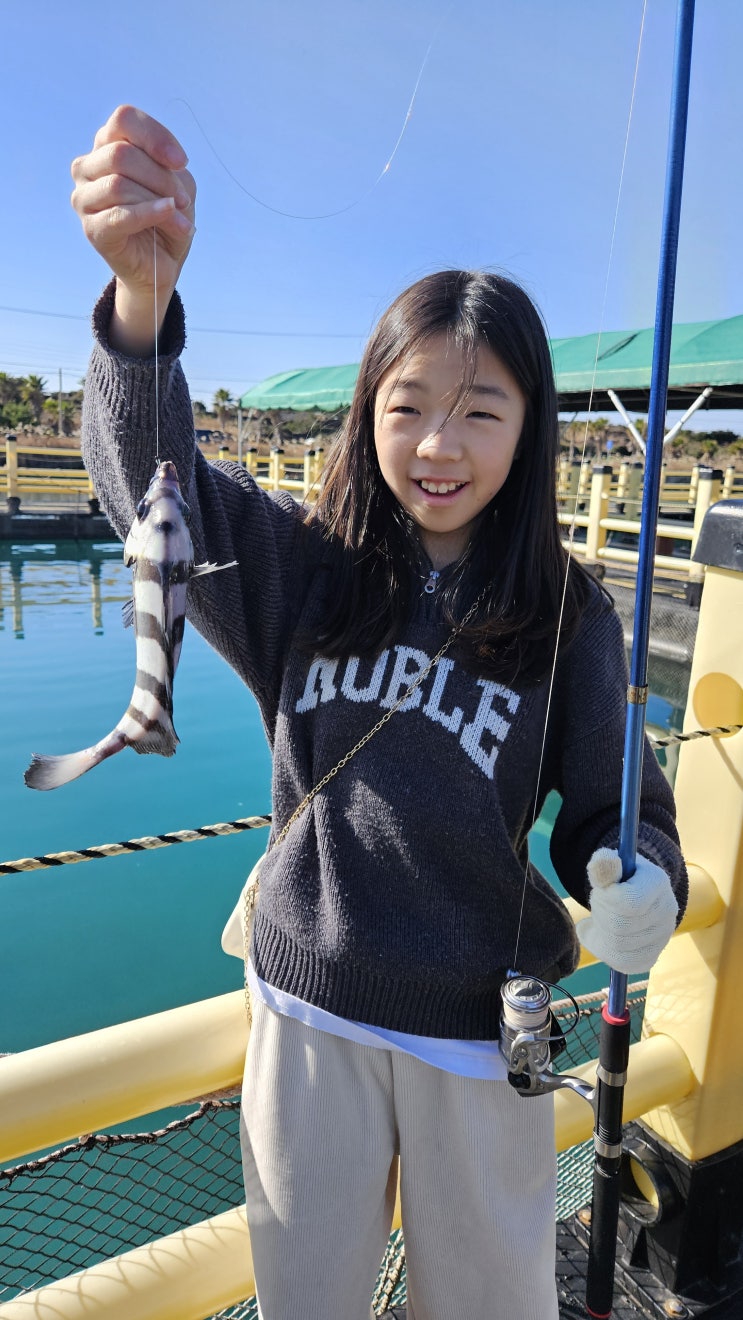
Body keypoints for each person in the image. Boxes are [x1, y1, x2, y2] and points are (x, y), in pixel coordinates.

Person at [71, 106, 687, 1320]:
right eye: (406, 406)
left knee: (494, 1303)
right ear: (367, 409)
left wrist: (635, 871)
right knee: (306, 1300)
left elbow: (613, 804)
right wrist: (140, 304)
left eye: (480, 409)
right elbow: (153, 489)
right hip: (307, 1015)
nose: (437, 444)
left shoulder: (567, 611)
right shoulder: (300, 565)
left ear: (531, 427)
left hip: (482, 1033)